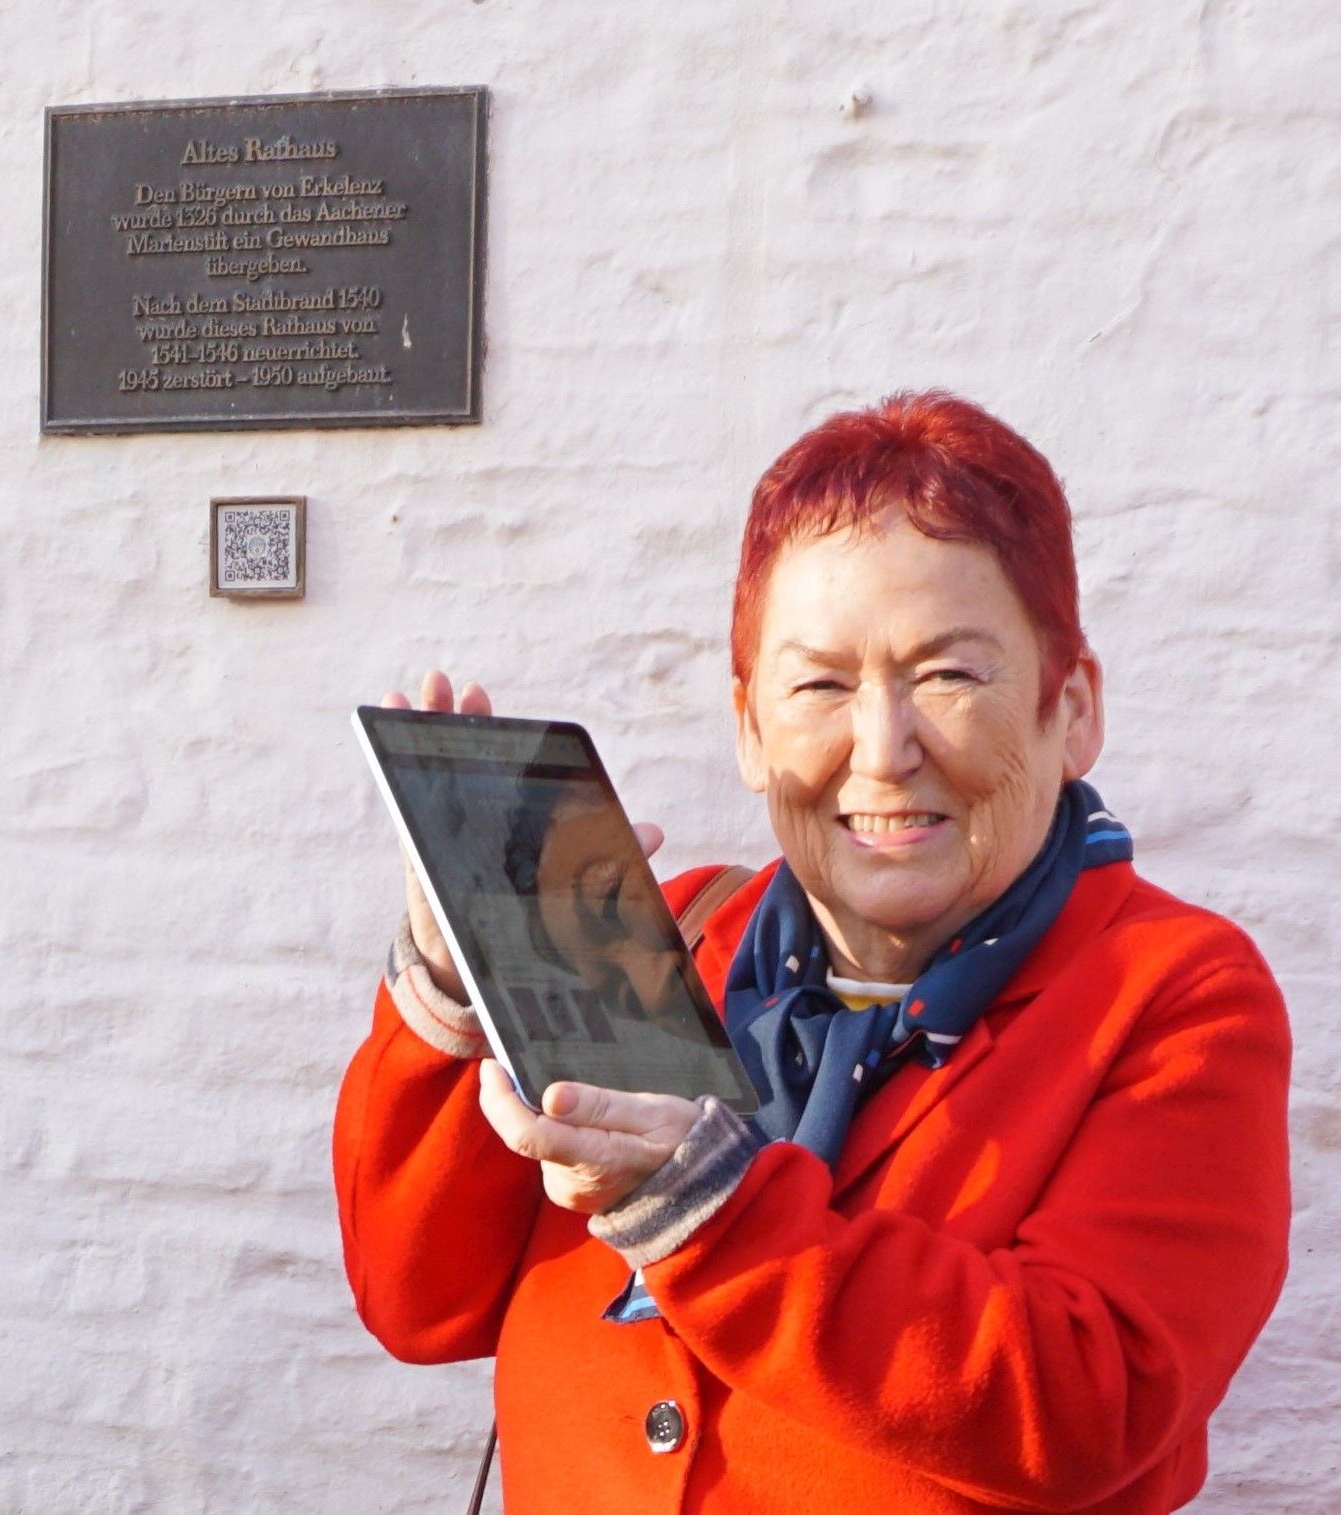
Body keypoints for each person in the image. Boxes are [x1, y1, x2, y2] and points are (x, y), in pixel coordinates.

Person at [333, 391, 1290, 1514]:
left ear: (1070, 708)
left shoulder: (1172, 994)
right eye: (820, 684)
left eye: (948, 674)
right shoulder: (670, 937)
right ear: (749, 727)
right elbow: (422, 1303)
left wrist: (706, 1210)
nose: (882, 751)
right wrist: (457, 988)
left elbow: (1089, 1404)